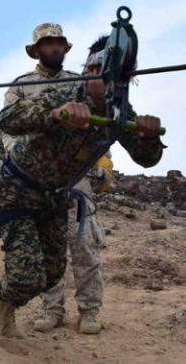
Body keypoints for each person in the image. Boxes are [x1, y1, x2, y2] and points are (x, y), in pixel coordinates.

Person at [0, 23, 164, 339]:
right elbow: (8, 119)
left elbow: (147, 158)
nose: (110, 87)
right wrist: (54, 114)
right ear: (90, 68)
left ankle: (15, 303)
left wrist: (148, 137)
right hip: (19, 191)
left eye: (120, 80)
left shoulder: (120, 110)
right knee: (27, 276)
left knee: (51, 275)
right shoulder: (64, 91)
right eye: (106, 77)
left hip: (56, 197)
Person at [33, 36, 112, 335]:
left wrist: (103, 164)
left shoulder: (97, 90)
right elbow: (18, 130)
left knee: (85, 247)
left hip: (79, 179)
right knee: (49, 249)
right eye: (47, 43)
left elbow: (103, 135)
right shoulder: (41, 87)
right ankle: (51, 310)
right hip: (45, 177)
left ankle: (90, 312)